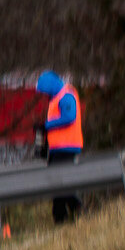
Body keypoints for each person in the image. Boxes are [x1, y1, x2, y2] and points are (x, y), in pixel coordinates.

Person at [36, 70, 83, 223]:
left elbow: (70, 117)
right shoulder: (56, 99)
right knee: (58, 182)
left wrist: (46, 125)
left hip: (67, 147)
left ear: (50, 86)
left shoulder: (66, 95)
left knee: (58, 182)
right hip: (58, 148)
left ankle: (64, 215)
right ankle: (71, 213)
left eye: (45, 91)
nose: (44, 95)